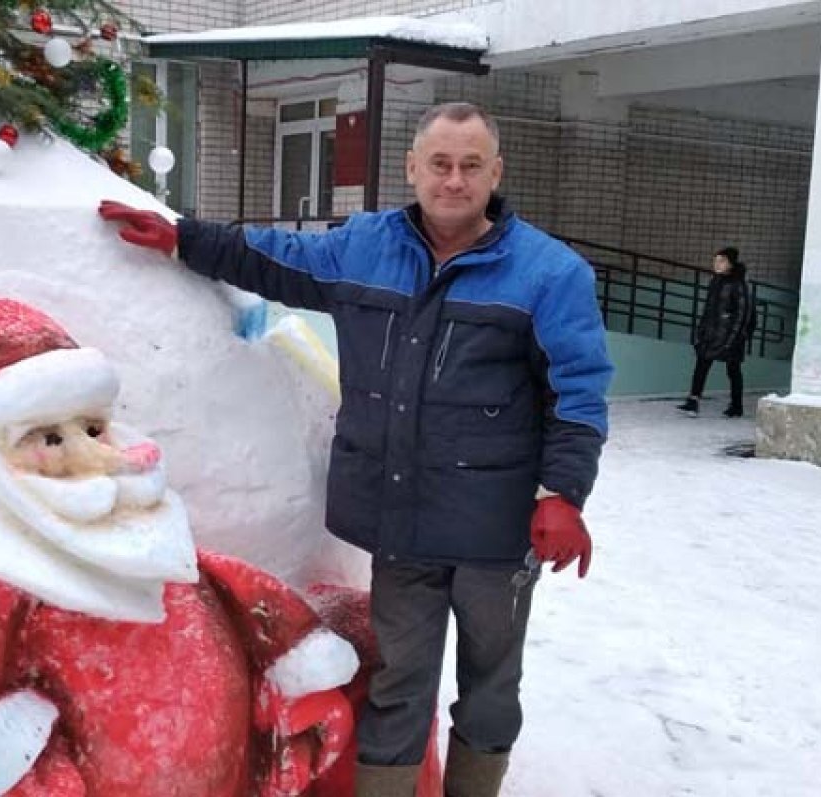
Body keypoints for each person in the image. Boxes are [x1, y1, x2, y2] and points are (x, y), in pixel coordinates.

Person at [99, 101, 613, 797]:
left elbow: (577, 392)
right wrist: (183, 240)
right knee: (399, 683)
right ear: (412, 168)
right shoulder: (367, 246)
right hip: (402, 519)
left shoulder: (550, 274)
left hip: (496, 529)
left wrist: (564, 495)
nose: (454, 180)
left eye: (470, 165)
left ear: (496, 173)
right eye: (440, 163)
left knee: (490, 686)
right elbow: (274, 258)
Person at [677, 246, 754, 418]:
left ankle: (736, 406)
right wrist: (701, 331)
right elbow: (709, 309)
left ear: (731, 263)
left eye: (722, 261)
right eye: (716, 260)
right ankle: (692, 401)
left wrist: (733, 338)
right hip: (711, 333)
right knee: (701, 365)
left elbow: (742, 313)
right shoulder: (715, 281)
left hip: (731, 335)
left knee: (733, 370)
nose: (717, 264)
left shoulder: (739, 284)